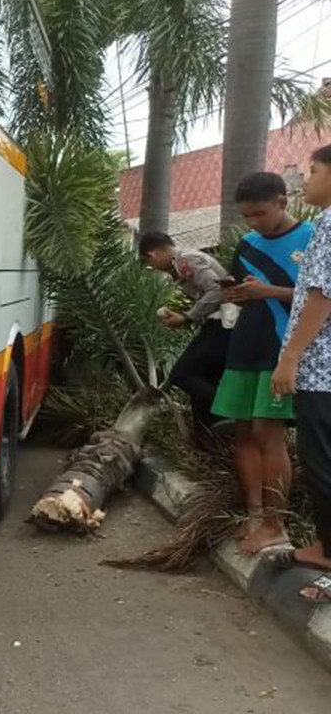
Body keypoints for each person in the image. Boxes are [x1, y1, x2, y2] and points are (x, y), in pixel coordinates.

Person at [212, 172, 314, 556]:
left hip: (282, 348)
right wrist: (238, 294)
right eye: (247, 216)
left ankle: (276, 523)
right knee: (244, 434)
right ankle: (254, 516)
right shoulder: (248, 243)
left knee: (269, 435)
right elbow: (244, 290)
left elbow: (320, 297)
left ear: (283, 202)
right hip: (244, 346)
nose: (253, 223)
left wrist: (266, 291)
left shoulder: (313, 238)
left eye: (260, 213)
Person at [271, 145, 331, 602]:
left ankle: (328, 554)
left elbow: (321, 297)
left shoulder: (329, 224)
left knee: (321, 463)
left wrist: (289, 357)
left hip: (321, 372)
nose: (304, 180)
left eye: (313, 171)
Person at [139, 231, 231, 433]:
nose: (154, 268)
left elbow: (217, 290)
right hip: (220, 324)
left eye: (150, 264)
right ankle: (208, 435)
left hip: (223, 325)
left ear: (152, 255)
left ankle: (229, 413)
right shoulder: (181, 263)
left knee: (182, 374)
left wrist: (188, 316)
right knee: (202, 378)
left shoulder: (185, 259)